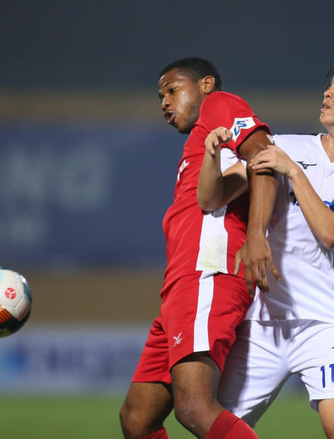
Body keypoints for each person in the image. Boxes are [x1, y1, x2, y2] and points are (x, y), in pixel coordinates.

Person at [197, 41, 334, 438]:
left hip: (324, 323)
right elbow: (210, 198)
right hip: (262, 321)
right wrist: (212, 157)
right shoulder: (283, 144)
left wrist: (294, 173)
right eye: (329, 85)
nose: (327, 92)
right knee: (216, 427)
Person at [119, 57, 277, 439]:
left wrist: (256, 234)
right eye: (160, 97)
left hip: (207, 273)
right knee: (137, 420)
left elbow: (264, 155)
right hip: (181, 286)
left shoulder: (219, 104)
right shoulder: (203, 144)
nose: (164, 103)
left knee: (194, 407)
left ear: (206, 84)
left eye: (172, 90)